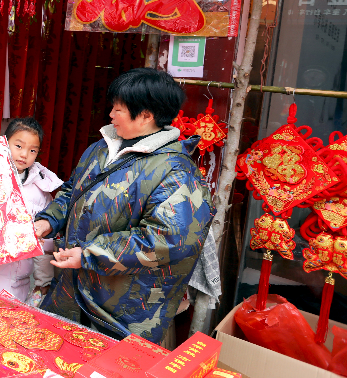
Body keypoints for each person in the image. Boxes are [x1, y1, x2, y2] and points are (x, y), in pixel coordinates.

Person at [34, 68, 214, 344]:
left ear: (146, 116)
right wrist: (49, 220)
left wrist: (89, 255)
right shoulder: (101, 149)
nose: (111, 115)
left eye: (118, 109)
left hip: (122, 313)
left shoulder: (177, 172)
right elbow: (73, 190)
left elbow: (166, 240)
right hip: (71, 293)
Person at [0, 117, 62, 304]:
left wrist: (43, 281)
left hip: (16, 281)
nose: (24, 154)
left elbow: (45, 242)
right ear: (4, 143)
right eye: (18, 146)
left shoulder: (41, 192)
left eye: (32, 150)